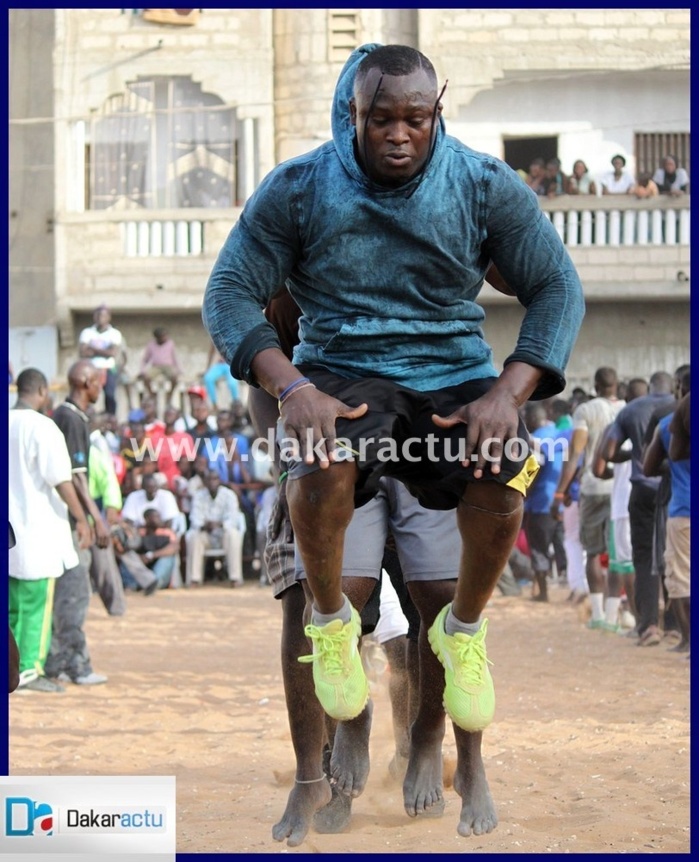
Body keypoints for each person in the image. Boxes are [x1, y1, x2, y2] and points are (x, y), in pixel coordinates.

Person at [203, 43, 584, 838]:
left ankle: (457, 674)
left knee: (486, 502)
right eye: (382, 119)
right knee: (314, 563)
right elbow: (229, 292)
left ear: (437, 110)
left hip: (448, 381)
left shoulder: (482, 184)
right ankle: (327, 683)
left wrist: (509, 390)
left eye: (417, 117)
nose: (400, 135)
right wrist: (293, 387)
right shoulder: (299, 191)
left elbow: (555, 285)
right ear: (353, 114)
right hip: (339, 383)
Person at [9, 368, 93, 693]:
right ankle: (30, 670)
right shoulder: (42, 426)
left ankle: (13, 669)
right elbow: (62, 479)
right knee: (36, 608)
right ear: (42, 391)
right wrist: (81, 518)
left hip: (10, 535)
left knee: (12, 607)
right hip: (36, 534)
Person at [43, 360, 111, 686]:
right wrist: (94, 519)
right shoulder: (69, 418)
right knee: (74, 593)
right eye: (98, 381)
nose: (101, 387)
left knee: (72, 592)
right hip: (72, 522)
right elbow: (75, 475)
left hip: (70, 520)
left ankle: (65, 662)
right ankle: (69, 664)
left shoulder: (73, 417)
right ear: (85, 382)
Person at [598, 371, 675, 645]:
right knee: (672, 554)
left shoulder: (631, 410)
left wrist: (634, 454)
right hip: (673, 489)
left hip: (641, 489)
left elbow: (607, 453)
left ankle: (649, 625)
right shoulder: (680, 405)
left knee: (644, 557)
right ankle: (676, 626)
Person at [552, 367, 623, 628]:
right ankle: (616, 614)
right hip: (621, 488)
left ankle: (598, 615)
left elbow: (576, 455)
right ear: (616, 385)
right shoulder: (627, 408)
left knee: (592, 552)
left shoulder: (586, 411)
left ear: (595, 385)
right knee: (618, 555)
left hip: (593, 489)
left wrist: (560, 492)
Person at [643, 392, 690, 652]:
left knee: (681, 578)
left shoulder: (670, 423)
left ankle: (688, 641)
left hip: (684, 507)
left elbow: (648, 467)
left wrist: (672, 465)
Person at [185, 469, 244, 586]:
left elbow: (233, 518)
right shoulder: (199, 495)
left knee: (233, 535)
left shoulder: (229, 495)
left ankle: (235, 578)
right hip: (206, 534)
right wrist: (206, 525)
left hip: (223, 534)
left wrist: (219, 524)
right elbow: (195, 518)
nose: (212, 482)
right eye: (209, 479)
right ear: (205, 482)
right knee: (194, 536)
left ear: (219, 481)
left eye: (215, 479)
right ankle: (194, 579)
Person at [78, 305, 123, 416]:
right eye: (97, 315)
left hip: (108, 369)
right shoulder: (87, 332)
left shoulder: (114, 333)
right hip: (90, 369)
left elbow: (112, 353)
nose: (100, 317)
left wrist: (92, 348)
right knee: (87, 394)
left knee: (109, 395)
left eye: (103, 315)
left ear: (109, 317)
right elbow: (83, 352)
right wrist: (104, 350)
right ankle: (87, 416)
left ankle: (111, 418)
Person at [138, 327, 182, 402]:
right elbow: (145, 359)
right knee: (146, 378)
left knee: (175, 377)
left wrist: (179, 370)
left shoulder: (170, 344)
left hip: (168, 367)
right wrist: (142, 371)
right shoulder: (151, 345)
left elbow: (175, 358)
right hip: (156, 367)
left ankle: (170, 393)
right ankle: (151, 394)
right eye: (163, 336)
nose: (165, 337)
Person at [203, 340, 240, 407]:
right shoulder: (217, 335)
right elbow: (211, 352)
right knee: (208, 378)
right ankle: (214, 404)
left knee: (232, 383)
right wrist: (207, 368)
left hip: (231, 364)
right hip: (220, 364)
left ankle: (236, 403)